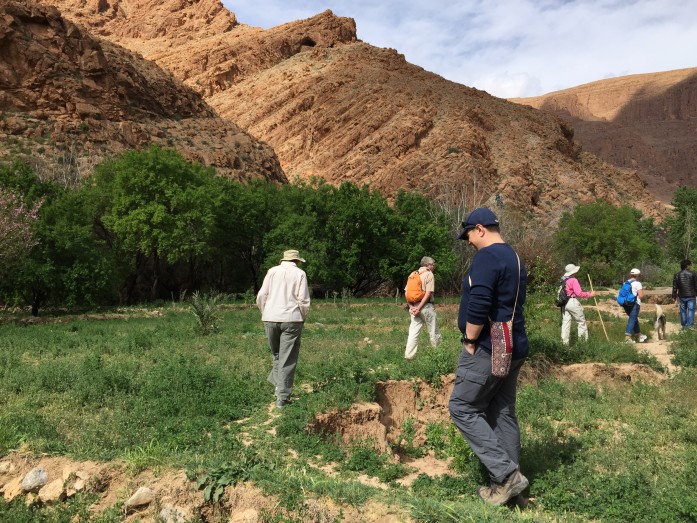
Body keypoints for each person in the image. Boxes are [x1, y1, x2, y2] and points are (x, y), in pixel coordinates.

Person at [449, 208, 529, 506]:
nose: (469, 242)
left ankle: (507, 476)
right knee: (502, 411)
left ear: (480, 229)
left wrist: (470, 339)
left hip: (487, 347)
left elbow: (480, 302)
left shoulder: (488, 257)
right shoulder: (514, 257)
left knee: (462, 407)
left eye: (469, 235)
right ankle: (512, 491)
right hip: (514, 344)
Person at [256, 249, 311, 408]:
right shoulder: (300, 274)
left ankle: (277, 387)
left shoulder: (271, 271)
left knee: (276, 354)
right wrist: (302, 316)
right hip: (291, 319)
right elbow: (303, 299)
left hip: (270, 317)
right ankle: (283, 397)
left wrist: (265, 311)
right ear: (297, 261)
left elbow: (262, 295)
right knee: (287, 358)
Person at [404, 256, 442, 360]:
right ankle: (438, 356)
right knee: (434, 331)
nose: (434, 266)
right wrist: (420, 308)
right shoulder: (429, 274)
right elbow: (428, 293)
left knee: (413, 332)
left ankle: (409, 356)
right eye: (433, 264)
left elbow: (406, 293)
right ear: (428, 265)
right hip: (426, 307)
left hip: (413, 307)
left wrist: (412, 307)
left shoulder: (412, 274)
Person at [560, 263, 595, 345]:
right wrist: (590, 294)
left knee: (566, 323)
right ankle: (583, 344)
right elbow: (579, 293)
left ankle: (564, 344)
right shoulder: (573, 280)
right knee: (581, 322)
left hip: (564, 303)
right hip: (572, 301)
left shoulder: (563, 279)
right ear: (573, 272)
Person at [672, 259, 697, 329]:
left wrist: (673, 296)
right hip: (691, 295)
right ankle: (689, 326)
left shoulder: (677, 275)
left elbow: (675, 287)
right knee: (691, 310)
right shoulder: (693, 274)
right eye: (690, 265)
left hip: (682, 296)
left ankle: (683, 325)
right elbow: (696, 285)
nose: (690, 267)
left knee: (683, 310)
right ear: (687, 266)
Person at [623, 268, 647, 343]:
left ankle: (639, 335)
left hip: (626, 304)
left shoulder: (625, 282)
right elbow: (641, 296)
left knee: (633, 318)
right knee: (632, 319)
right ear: (637, 275)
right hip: (634, 304)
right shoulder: (637, 283)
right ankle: (627, 337)